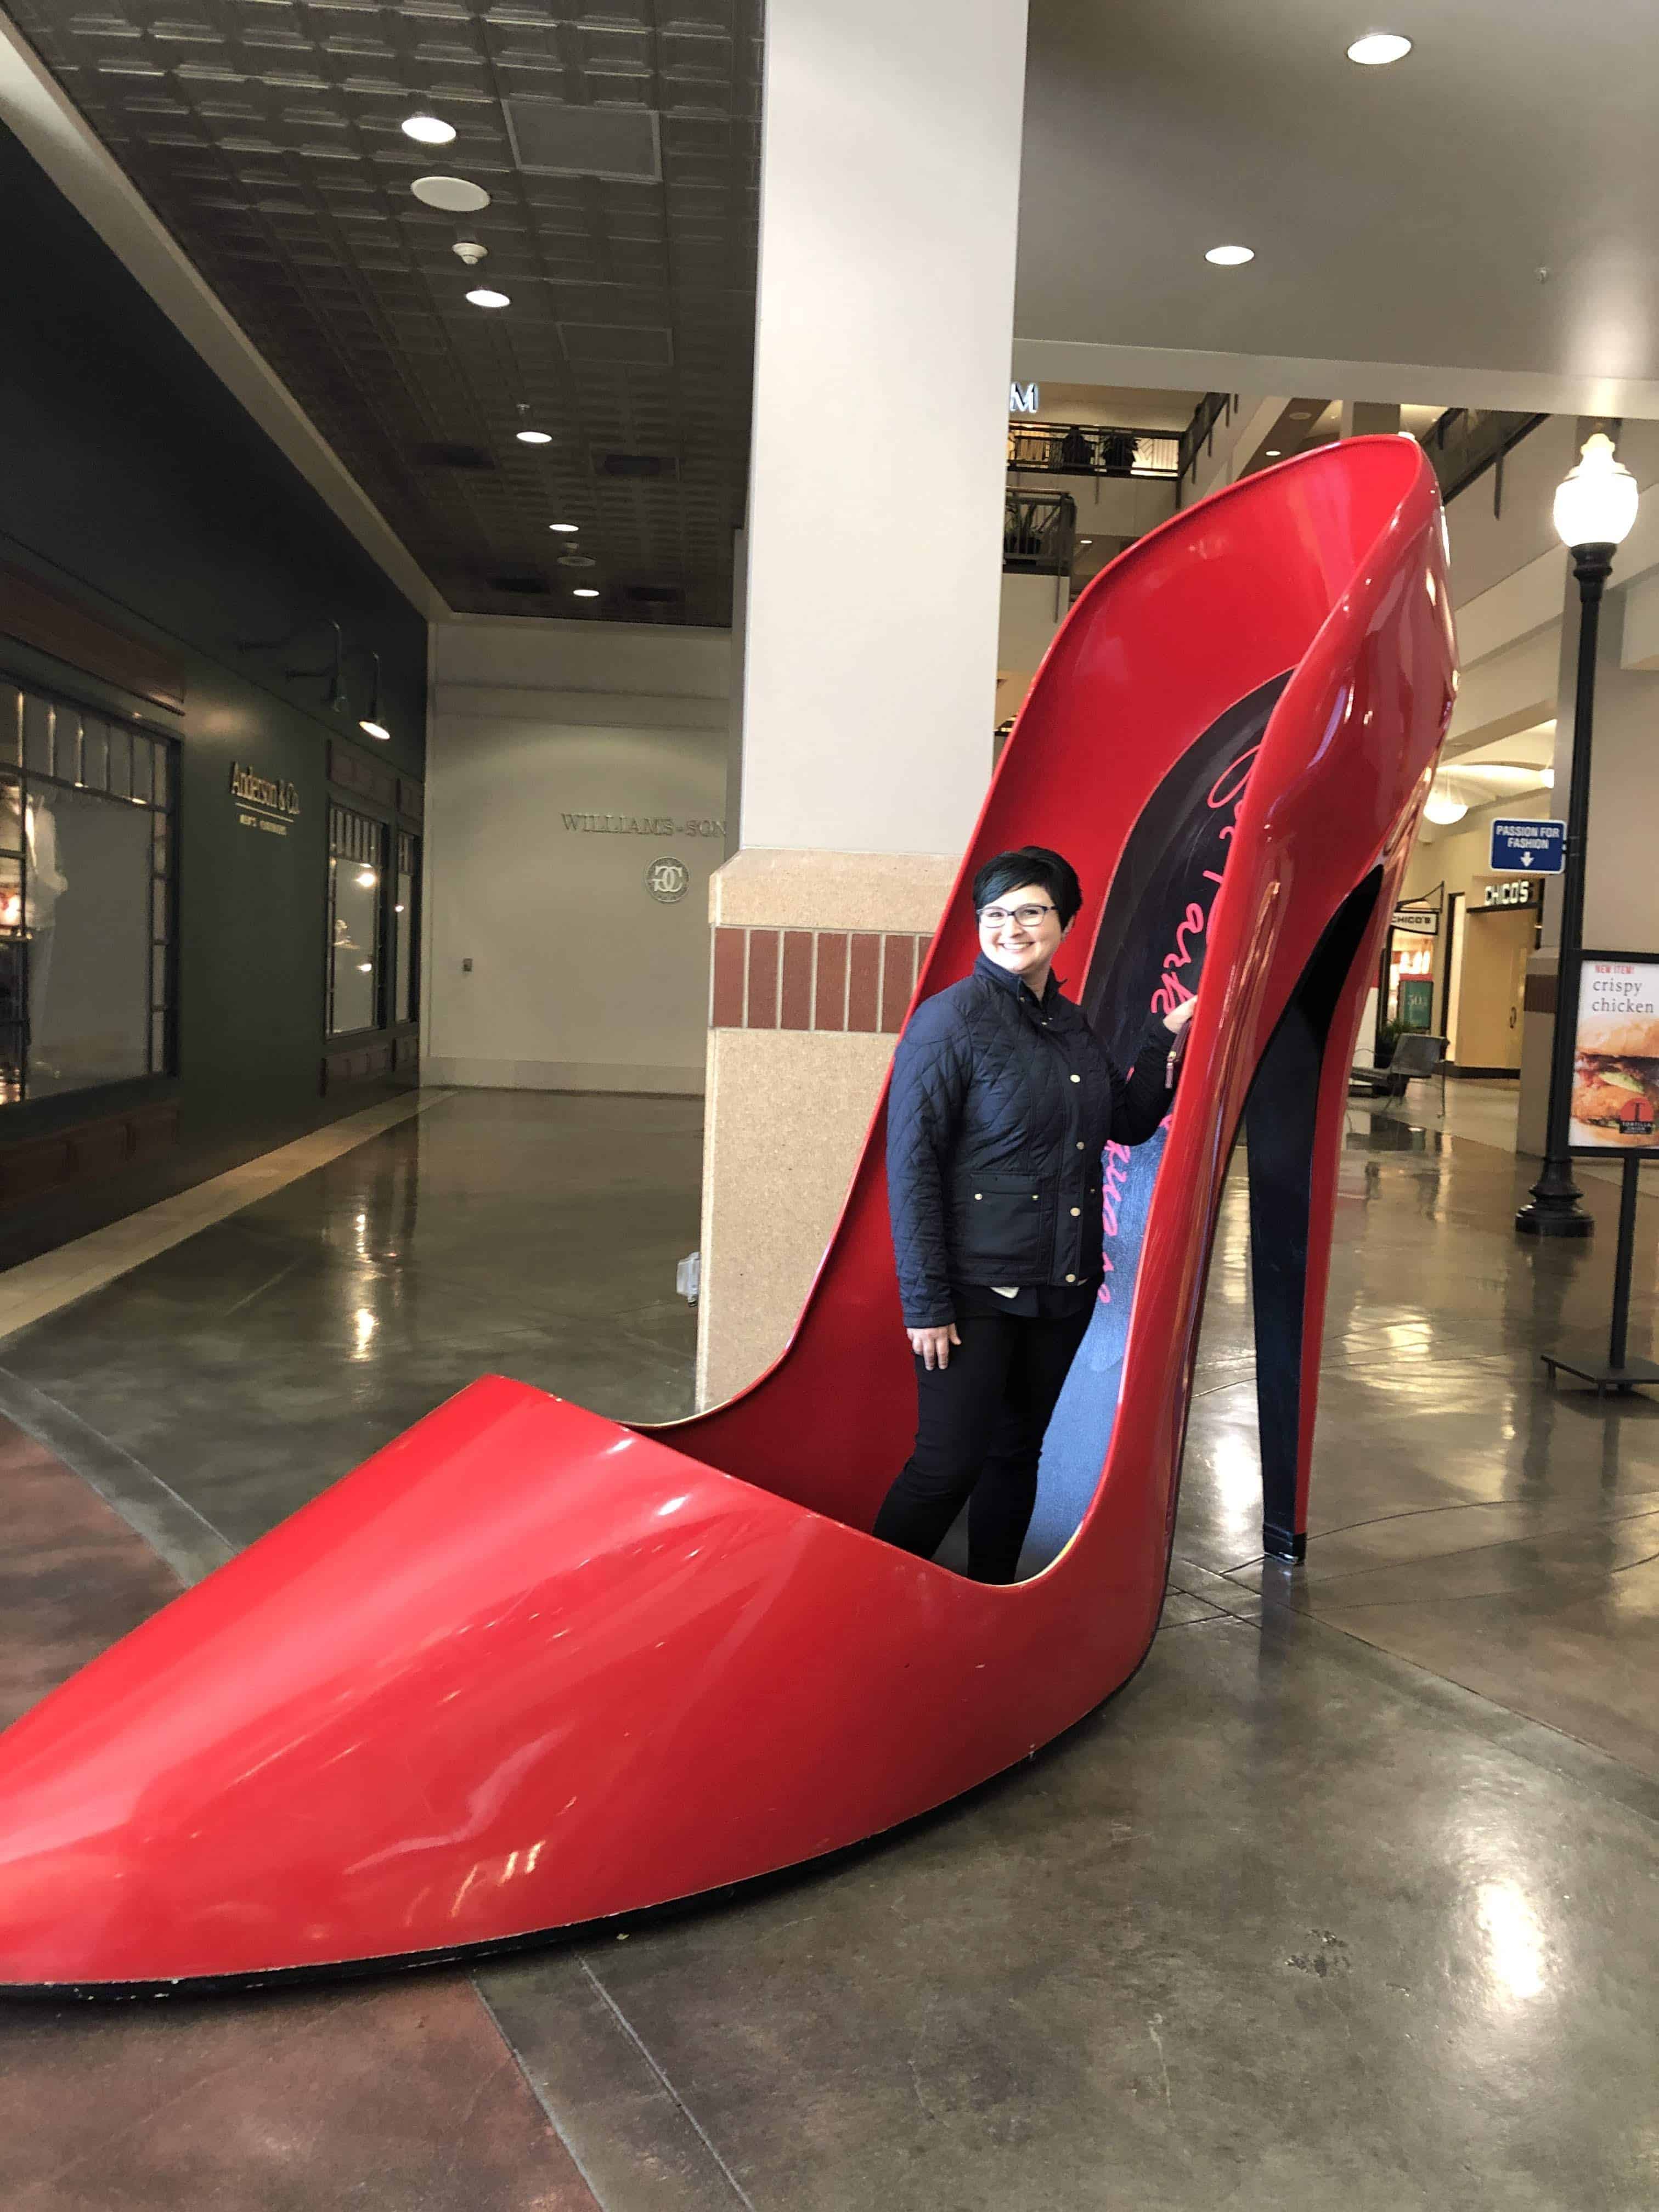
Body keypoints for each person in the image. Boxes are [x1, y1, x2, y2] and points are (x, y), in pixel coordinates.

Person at [873, 845, 1195, 1584]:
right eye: (995, 913)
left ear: (1064, 921)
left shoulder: (1069, 1024)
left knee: (1017, 1454)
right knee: (946, 1464)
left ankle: (988, 1598)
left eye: (1030, 910)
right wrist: (926, 1303)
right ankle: (865, 1608)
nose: (1011, 926)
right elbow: (913, 1170)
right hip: (974, 1293)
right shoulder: (949, 1022)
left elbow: (1129, 1120)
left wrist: (1161, 1038)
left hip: (1060, 1284)